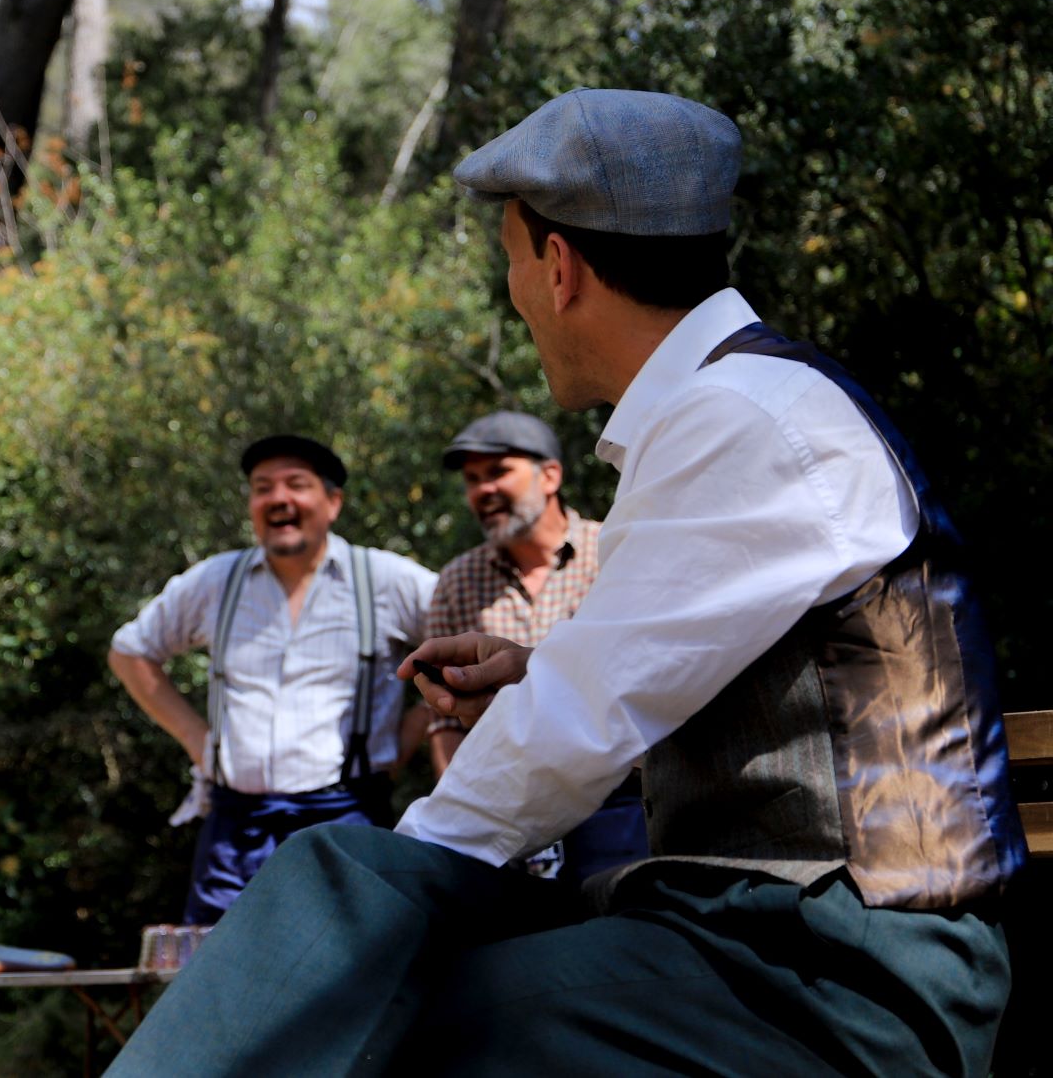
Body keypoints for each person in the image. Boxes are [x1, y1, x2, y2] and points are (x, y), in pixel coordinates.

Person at [106, 89, 1024, 1076]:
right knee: (378, 981)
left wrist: (387, 877)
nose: (510, 292)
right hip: (748, 934)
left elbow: (582, 714)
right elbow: (703, 673)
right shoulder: (738, 409)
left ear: (557, 266)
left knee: (369, 977)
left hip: (841, 974)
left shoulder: (750, 419)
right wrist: (534, 665)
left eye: (506, 262)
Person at [107, 434, 436, 924]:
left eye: (296, 485)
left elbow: (471, 642)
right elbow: (130, 651)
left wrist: (409, 735)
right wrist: (197, 739)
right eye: (263, 488)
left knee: (341, 977)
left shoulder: (386, 580)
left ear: (333, 502)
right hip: (234, 830)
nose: (278, 499)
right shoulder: (216, 581)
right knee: (221, 980)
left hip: (347, 820)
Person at [422, 410, 644, 883]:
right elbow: (444, 724)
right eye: (473, 480)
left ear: (550, 476)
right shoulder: (457, 583)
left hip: (618, 805)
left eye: (499, 472)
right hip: (502, 814)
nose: (483, 491)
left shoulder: (616, 551)